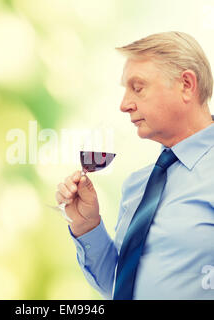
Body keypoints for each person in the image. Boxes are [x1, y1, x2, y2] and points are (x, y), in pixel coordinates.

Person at [55, 31, 214, 300]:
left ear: (186, 85)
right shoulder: (138, 186)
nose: (124, 105)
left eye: (137, 88)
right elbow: (119, 287)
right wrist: (88, 226)